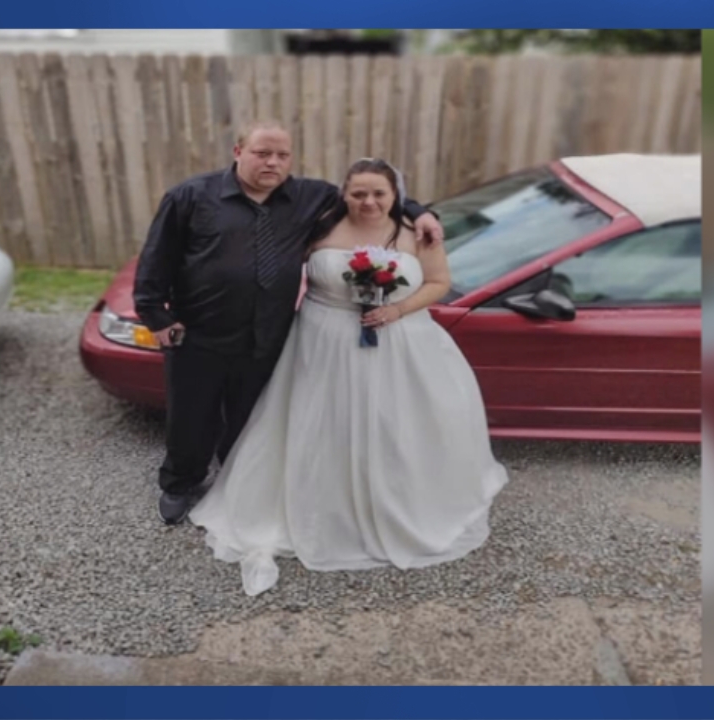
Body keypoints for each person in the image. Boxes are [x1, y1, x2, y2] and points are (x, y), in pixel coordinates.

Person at [189, 158, 508, 596]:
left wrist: (397, 309)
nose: (368, 201)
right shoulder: (319, 226)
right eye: (358, 193)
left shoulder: (418, 232)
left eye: (379, 193)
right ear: (344, 194)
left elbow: (437, 283)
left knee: (392, 425)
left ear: (396, 195)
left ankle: (393, 503)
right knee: (322, 423)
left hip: (400, 342)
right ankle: (320, 507)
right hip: (321, 343)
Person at [133, 122, 444, 525]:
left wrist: (419, 211)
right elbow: (156, 258)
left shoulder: (310, 197)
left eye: (282, 155)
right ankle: (180, 483)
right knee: (192, 415)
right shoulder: (190, 196)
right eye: (262, 153)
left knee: (250, 418)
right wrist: (156, 316)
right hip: (200, 330)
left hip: (268, 335)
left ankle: (236, 481)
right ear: (238, 152)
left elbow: (370, 192)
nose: (273, 163)